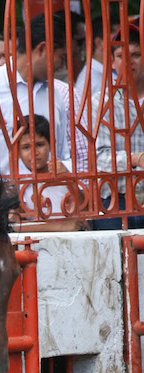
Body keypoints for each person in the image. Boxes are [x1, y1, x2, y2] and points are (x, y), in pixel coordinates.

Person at [0, 13, 69, 177]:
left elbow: (62, 155)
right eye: (61, 57)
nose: (62, 65)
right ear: (42, 49)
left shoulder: (55, 95)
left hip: (48, 199)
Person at [92, 22, 144, 229]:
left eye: (136, 54)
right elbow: (99, 159)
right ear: (112, 62)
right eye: (122, 56)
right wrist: (136, 158)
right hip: (115, 202)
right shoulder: (102, 101)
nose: (129, 61)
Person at [15, 114, 86, 232]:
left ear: (52, 144)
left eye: (39, 145)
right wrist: (61, 227)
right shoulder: (18, 182)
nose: (34, 152)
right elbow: (15, 227)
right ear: (17, 151)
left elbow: (87, 209)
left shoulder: (66, 168)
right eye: (26, 147)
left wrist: (69, 178)